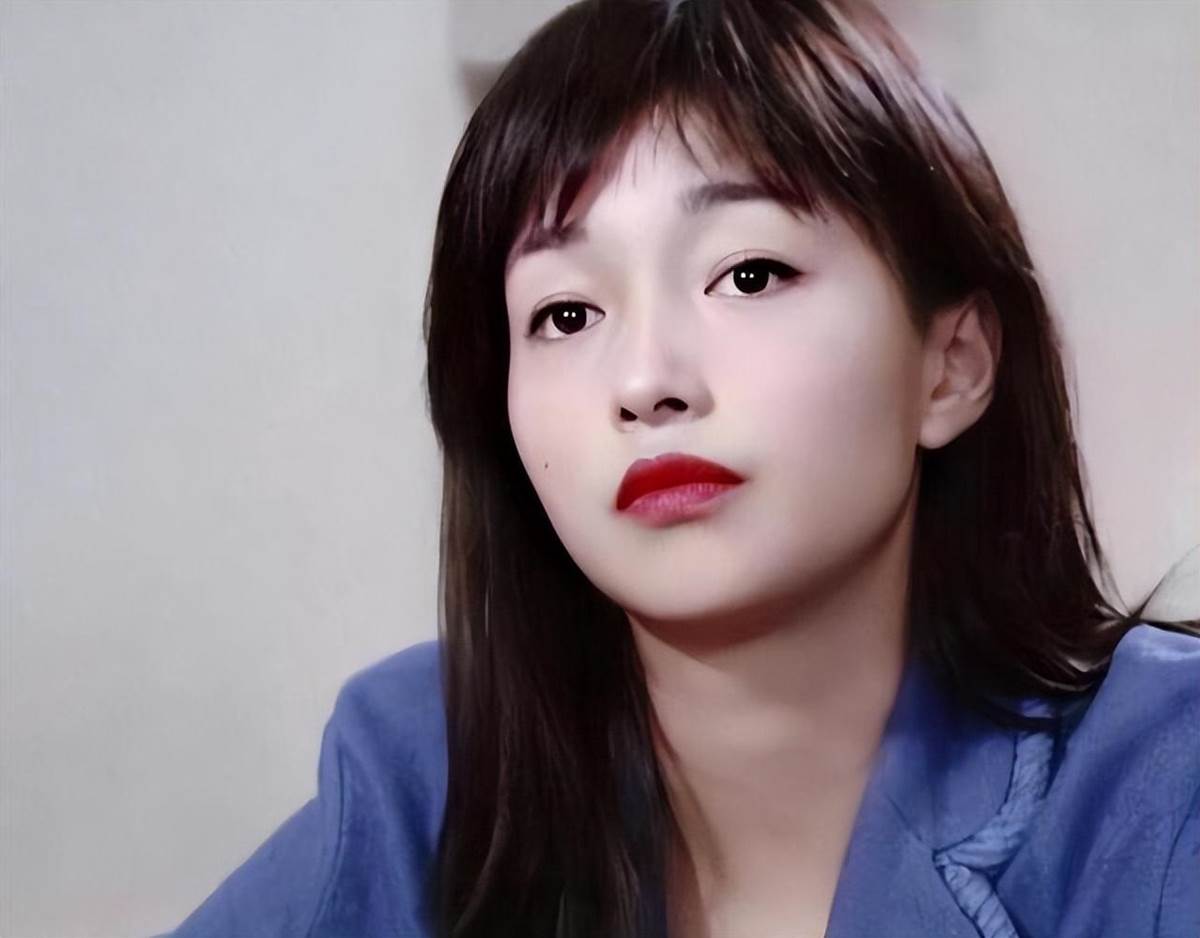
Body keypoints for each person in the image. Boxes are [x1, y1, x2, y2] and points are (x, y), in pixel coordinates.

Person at [164, 0, 1200, 936]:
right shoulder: (425, 775)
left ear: (950, 365)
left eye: (748, 274)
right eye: (566, 313)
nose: (646, 381)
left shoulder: (1164, 786)